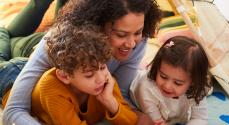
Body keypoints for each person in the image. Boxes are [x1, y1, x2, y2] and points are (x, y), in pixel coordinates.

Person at [2, 0, 162, 124]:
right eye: (121, 34)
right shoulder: (57, 41)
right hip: (22, 59)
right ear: (98, 25)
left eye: (138, 32)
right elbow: (14, 110)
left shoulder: (137, 43)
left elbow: (119, 95)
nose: (131, 43)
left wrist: (137, 117)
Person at [2, 22, 138, 125]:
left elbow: (131, 120)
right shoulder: (52, 89)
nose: (100, 79)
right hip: (11, 77)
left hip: (36, 69)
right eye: (89, 75)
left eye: (102, 67)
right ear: (65, 76)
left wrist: (110, 101)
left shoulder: (105, 81)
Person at [130, 36, 211, 125]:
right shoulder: (146, 88)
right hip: (137, 91)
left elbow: (201, 118)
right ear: (157, 68)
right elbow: (157, 122)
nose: (167, 86)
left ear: (193, 82)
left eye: (177, 83)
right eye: (163, 77)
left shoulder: (197, 89)